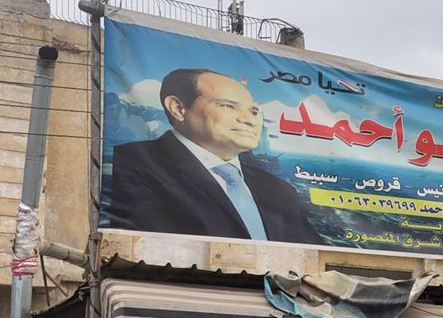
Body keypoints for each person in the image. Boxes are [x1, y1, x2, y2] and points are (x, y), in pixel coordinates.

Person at [108, 68, 321, 244]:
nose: (249, 120)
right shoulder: (129, 163)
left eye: (254, 111)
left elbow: (315, 260)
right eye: (228, 106)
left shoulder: (279, 190)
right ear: (178, 108)